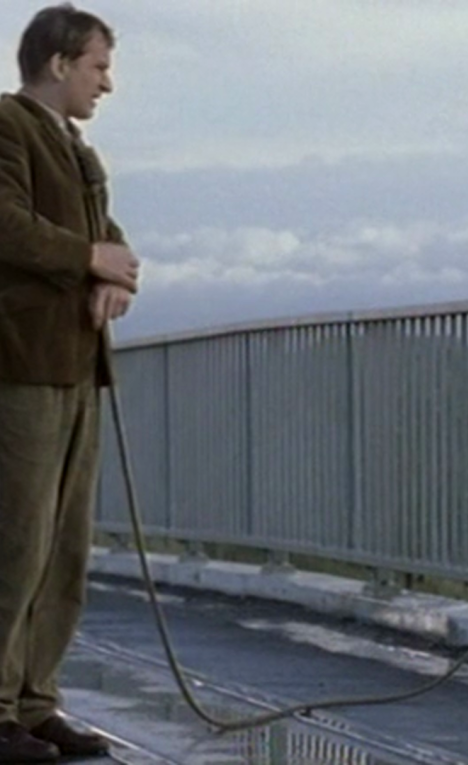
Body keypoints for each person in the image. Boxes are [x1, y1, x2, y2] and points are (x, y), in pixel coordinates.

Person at [0, 4, 139, 761]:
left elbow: (105, 236)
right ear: (58, 63)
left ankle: (33, 700)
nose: (106, 84)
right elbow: (4, 222)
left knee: (63, 548)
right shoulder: (7, 125)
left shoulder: (75, 147)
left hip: (76, 365)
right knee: (15, 540)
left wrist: (115, 271)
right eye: (98, 67)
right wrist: (90, 258)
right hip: (19, 362)